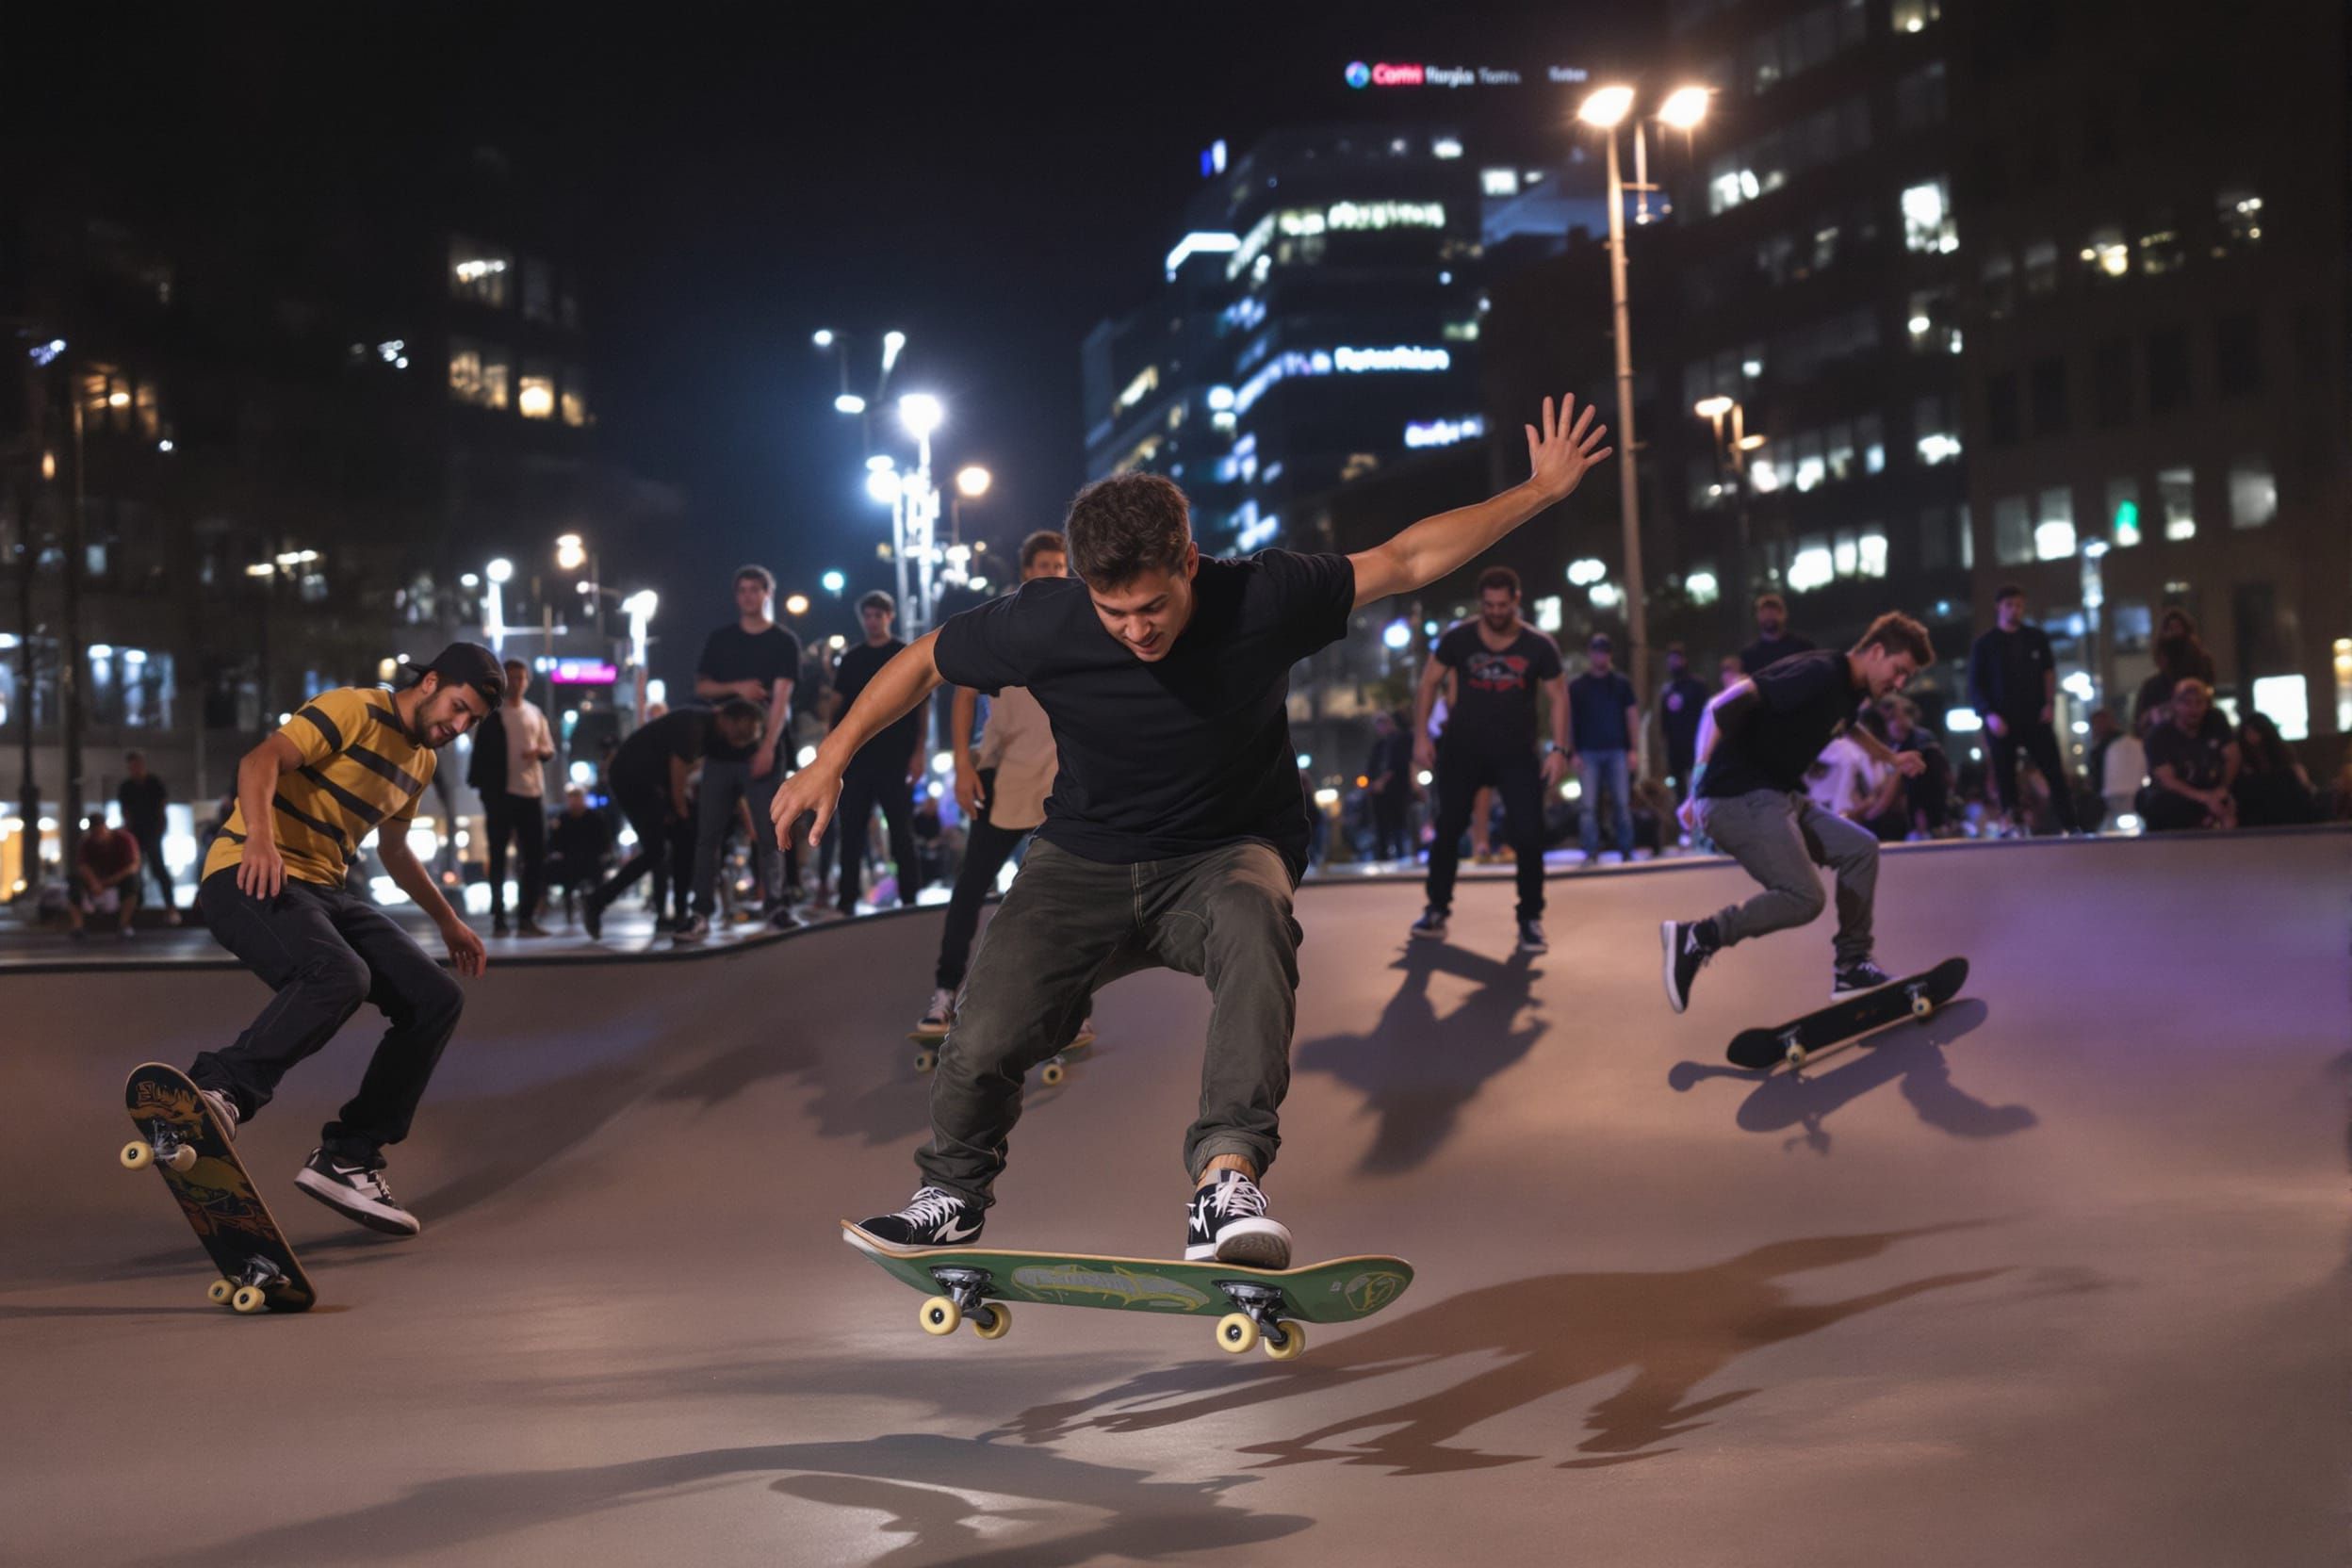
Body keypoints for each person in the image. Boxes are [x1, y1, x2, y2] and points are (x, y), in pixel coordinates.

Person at [776, 393, 1610, 1262]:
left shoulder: (1263, 595)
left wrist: (1539, 492)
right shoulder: (1047, 616)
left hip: (1225, 852)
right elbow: (922, 660)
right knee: (983, 1027)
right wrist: (828, 758)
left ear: (1190, 563)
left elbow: (1404, 558)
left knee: (1256, 925)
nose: (1137, 630)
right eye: (1116, 614)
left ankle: (1224, 1184)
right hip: (1082, 859)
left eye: (1154, 607)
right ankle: (951, 1191)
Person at [185, 644, 499, 1236]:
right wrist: (259, 838)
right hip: (247, 873)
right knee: (340, 975)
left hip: (326, 891)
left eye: (471, 721)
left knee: (434, 998)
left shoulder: (422, 764)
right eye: (458, 707)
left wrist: (448, 920)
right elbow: (260, 761)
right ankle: (219, 1089)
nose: (458, 726)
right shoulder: (354, 708)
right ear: (430, 683)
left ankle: (349, 1156)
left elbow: (396, 852)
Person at [1661, 613, 1936, 1014]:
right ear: (1877, 652)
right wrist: (1699, 778)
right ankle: (1699, 936)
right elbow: (1724, 704)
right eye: (1899, 671)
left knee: (1861, 849)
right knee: (1805, 897)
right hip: (1735, 795)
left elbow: (1847, 725)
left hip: (1777, 795)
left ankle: (1852, 966)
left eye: (1906, 678)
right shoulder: (1819, 672)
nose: (1899, 684)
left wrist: (1890, 757)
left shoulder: (1850, 688)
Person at [916, 531, 1097, 1045]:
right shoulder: (1004, 624)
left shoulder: (1084, 624)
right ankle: (945, 993)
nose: (1051, 571)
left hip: (1062, 780)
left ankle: (1073, 1007)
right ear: (1025, 572)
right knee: (970, 889)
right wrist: (963, 769)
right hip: (1000, 777)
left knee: (1065, 897)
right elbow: (963, 693)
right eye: (1042, 563)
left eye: (1059, 564)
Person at [1410, 565, 1569, 953]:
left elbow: (1559, 697)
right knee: (1448, 828)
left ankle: (1530, 919)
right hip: (1463, 750)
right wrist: (1420, 737)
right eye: (1489, 606)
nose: (1496, 612)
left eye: (1503, 605)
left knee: (1529, 835)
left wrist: (1560, 750)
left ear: (1516, 601)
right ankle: (1436, 909)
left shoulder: (1538, 645)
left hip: (1517, 753)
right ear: (1481, 604)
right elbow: (1429, 682)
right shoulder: (1458, 639)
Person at [582, 701, 763, 940]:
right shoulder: (695, 726)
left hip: (652, 783)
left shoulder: (711, 733)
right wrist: (679, 808)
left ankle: (679, 913)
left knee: (683, 840)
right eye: (742, 733)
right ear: (727, 719)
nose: (742, 739)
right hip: (633, 780)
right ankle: (597, 901)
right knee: (657, 850)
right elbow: (678, 769)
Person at [686, 565, 801, 942]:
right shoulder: (721, 640)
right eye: (743, 590)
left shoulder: (783, 641)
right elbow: (702, 685)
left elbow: (782, 699)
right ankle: (700, 911)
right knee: (708, 835)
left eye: (756, 589)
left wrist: (768, 746)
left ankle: (777, 905)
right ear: (737, 596)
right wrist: (736, 686)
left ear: (768, 593)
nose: (749, 596)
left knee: (771, 833)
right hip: (720, 754)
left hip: (763, 753)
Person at [829, 591, 925, 916]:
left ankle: (910, 897)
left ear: (890, 616)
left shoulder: (903, 654)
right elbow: (837, 707)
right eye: (868, 615)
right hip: (857, 760)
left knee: (901, 830)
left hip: (895, 757)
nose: (872, 621)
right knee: (852, 831)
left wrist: (919, 752)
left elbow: (922, 705)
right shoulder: (853, 659)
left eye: (878, 615)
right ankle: (846, 900)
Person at [1968, 584, 2080, 836]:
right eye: (2009, 605)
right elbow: (1975, 685)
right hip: (2001, 719)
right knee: (2004, 773)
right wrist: (1988, 714)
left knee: (2053, 770)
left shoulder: (2036, 638)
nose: (2014, 610)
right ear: (1999, 607)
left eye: (2018, 605)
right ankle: (2012, 820)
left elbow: (2048, 674)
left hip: (2035, 717)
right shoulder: (1985, 645)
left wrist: (2049, 704)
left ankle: (2070, 823)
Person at [466, 658, 557, 936]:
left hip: (531, 793)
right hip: (501, 794)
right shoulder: (493, 715)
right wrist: (486, 793)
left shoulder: (535, 713)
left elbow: (548, 749)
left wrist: (538, 754)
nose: (517, 683)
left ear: (528, 681)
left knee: (535, 855)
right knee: (498, 854)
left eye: (521, 678)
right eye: (512, 678)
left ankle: (526, 917)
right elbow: (479, 758)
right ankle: (499, 916)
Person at [1569, 632, 1642, 866]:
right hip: (1588, 752)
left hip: (1617, 751)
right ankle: (1590, 851)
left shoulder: (1621, 684)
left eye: (1604, 652)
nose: (1600, 656)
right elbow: (1569, 720)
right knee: (1588, 806)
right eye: (1596, 651)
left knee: (1622, 803)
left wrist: (1633, 749)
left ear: (1609, 655)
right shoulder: (1578, 686)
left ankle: (1626, 850)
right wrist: (1572, 752)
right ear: (1591, 654)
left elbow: (1631, 717)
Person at [2142, 678, 2239, 831]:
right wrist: (2206, 798)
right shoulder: (2159, 735)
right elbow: (2167, 779)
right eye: (2187, 703)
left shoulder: (2215, 721)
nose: (2194, 709)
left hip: (2216, 788)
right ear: (2174, 705)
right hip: (2180, 795)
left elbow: (2233, 757)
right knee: (2158, 802)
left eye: (2199, 702)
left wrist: (2223, 788)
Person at [2132, 607, 2217, 737]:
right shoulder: (2153, 687)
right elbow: (2141, 724)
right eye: (2170, 628)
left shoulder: (2200, 670)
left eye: (2177, 627)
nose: (2174, 633)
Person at [117, 750, 177, 922]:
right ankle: (138, 906)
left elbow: (162, 806)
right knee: (136, 870)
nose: (134, 769)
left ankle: (170, 907)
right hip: (135, 833)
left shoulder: (154, 783)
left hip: (153, 832)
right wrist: (127, 831)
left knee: (158, 868)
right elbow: (125, 811)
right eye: (131, 766)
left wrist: (162, 827)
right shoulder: (126, 786)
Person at [2233, 711, 2319, 826]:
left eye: (2255, 731)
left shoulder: (2282, 756)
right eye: (2248, 732)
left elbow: (2301, 782)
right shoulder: (2241, 757)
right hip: (2257, 809)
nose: (2252, 736)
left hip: (2283, 806)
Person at [65, 814, 141, 939]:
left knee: (133, 882)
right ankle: (77, 926)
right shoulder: (87, 842)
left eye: (100, 831)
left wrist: (111, 880)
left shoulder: (124, 839)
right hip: (97, 879)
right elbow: (82, 865)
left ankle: (124, 924)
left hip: (119, 877)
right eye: (94, 832)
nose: (98, 835)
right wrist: (94, 882)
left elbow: (133, 865)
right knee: (74, 883)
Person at [546, 784, 613, 923]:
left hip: (591, 858)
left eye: (578, 797)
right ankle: (568, 909)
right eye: (572, 798)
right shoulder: (563, 818)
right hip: (569, 859)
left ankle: (597, 906)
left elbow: (603, 839)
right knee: (565, 875)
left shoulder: (595, 817)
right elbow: (554, 842)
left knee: (596, 875)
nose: (575, 801)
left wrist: (603, 853)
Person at [1658, 645, 1710, 808]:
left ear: (1684, 660)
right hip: (1675, 747)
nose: (1674, 663)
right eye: (1671, 660)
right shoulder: (1667, 689)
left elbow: (1707, 714)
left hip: (1696, 744)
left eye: (1677, 659)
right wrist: (1664, 740)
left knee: (1699, 784)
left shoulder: (1698, 686)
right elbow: (1664, 718)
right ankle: (1684, 823)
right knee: (1679, 788)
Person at [1364, 710, 1416, 863]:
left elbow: (1399, 764)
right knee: (1381, 826)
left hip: (1396, 790)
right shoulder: (1379, 745)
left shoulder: (1402, 739)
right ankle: (1383, 857)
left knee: (1398, 823)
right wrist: (1372, 784)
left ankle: (1401, 855)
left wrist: (1382, 781)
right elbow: (1371, 767)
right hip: (1379, 794)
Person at [1739, 592, 1817, 676]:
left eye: (1772, 612)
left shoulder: (1803, 647)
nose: (1768, 617)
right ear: (1757, 616)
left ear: (1784, 614)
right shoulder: (1749, 656)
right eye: (1764, 613)